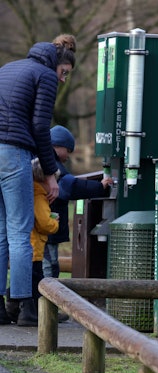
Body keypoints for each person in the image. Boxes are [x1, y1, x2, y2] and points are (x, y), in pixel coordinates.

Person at [0, 34, 77, 325]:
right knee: (20, 232)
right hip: (13, 154)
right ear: (57, 63)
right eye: (64, 73)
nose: (62, 80)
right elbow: (40, 127)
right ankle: (24, 307)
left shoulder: (7, 68)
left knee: (0, 233)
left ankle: (1, 307)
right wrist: (50, 174)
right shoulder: (44, 75)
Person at [43, 125, 113, 279]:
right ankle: (43, 301)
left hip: (46, 225)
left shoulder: (44, 160)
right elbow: (70, 187)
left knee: (48, 264)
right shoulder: (52, 164)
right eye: (68, 151)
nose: (68, 156)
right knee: (49, 266)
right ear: (58, 146)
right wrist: (100, 186)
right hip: (46, 226)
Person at [6, 159, 60, 326]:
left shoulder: (28, 193)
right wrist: (55, 222)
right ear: (44, 180)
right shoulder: (39, 196)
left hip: (22, 246)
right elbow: (44, 223)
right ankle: (32, 313)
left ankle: (14, 307)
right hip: (33, 248)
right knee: (36, 282)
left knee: (21, 278)